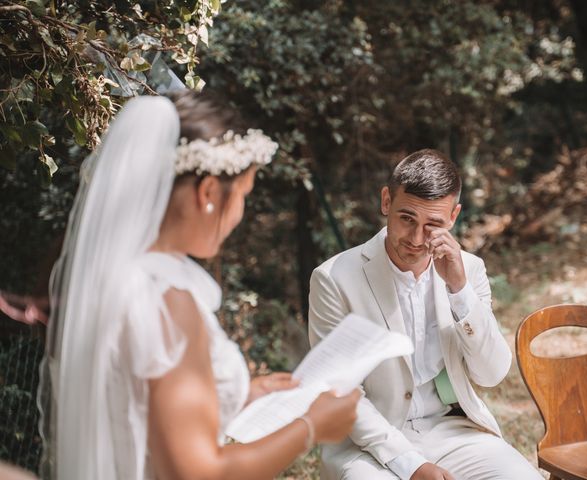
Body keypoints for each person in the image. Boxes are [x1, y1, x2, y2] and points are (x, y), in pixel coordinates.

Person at [39, 91, 360, 480]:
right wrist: (311, 427)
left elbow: (141, 413)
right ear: (208, 192)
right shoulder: (167, 300)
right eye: (243, 194)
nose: (239, 214)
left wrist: (236, 398)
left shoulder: (117, 279)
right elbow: (199, 473)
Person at [308, 150, 542, 480]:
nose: (417, 239)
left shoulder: (469, 270)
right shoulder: (333, 279)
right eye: (407, 219)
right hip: (367, 445)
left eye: (432, 224)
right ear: (386, 201)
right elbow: (339, 391)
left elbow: (491, 374)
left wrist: (459, 291)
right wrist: (411, 464)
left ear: (454, 216)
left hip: (453, 431)